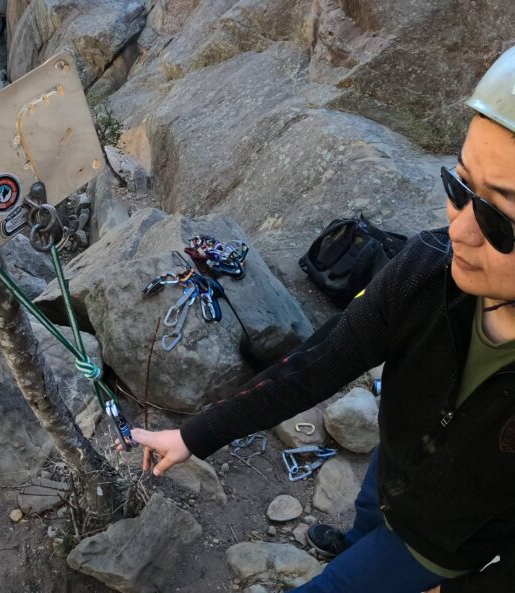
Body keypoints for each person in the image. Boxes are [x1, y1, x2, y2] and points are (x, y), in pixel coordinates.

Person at [122, 47, 515, 593]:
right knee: (369, 517)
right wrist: (197, 433)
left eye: (499, 217)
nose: (459, 232)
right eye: (460, 189)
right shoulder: (426, 272)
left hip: (442, 547)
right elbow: (319, 364)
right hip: (394, 470)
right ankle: (359, 545)